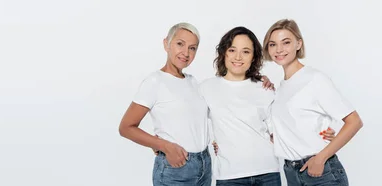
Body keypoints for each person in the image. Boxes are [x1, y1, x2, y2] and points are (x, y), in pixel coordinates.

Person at [201, 26, 337, 186]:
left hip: (267, 173)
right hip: (229, 175)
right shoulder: (206, 88)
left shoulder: (265, 88)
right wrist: (212, 139)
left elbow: (284, 125)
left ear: (253, 57)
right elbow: (193, 122)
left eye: (246, 51)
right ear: (224, 52)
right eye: (232, 50)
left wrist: (322, 131)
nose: (238, 57)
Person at [262, 19, 364, 186]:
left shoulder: (314, 79)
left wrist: (321, 158)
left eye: (286, 42)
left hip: (320, 173)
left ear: (298, 44)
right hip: (291, 172)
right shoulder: (280, 89)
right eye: (272, 44)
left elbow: (354, 121)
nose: (279, 49)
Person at [118, 22, 212, 186]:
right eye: (180, 44)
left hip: (204, 165)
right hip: (176, 168)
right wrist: (164, 145)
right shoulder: (155, 82)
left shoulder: (193, 82)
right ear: (166, 44)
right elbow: (126, 127)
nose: (186, 53)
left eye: (192, 48)